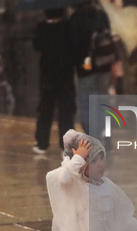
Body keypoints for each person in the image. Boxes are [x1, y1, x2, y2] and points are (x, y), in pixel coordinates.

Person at [32, 8, 76, 154]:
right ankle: (67, 145)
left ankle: (42, 143)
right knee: (66, 111)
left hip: (47, 75)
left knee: (45, 109)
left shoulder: (42, 28)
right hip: (65, 75)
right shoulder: (68, 27)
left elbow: (36, 45)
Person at [70, 1, 115, 141]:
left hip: (86, 68)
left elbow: (74, 45)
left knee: (87, 102)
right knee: (102, 99)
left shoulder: (76, 18)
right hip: (104, 64)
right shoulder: (101, 13)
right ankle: (104, 134)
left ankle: (94, 136)